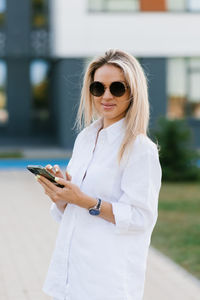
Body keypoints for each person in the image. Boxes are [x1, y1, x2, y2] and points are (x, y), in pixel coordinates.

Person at [36, 49, 162, 300]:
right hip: (71, 275)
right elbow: (73, 209)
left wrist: (86, 201)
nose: (106, 96)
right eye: (98, 88)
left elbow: (141, 218)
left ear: (133, 92)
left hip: (107, 280)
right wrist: (60, 196)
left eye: (117, 88)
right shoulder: (85, 138)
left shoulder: (140, 150)